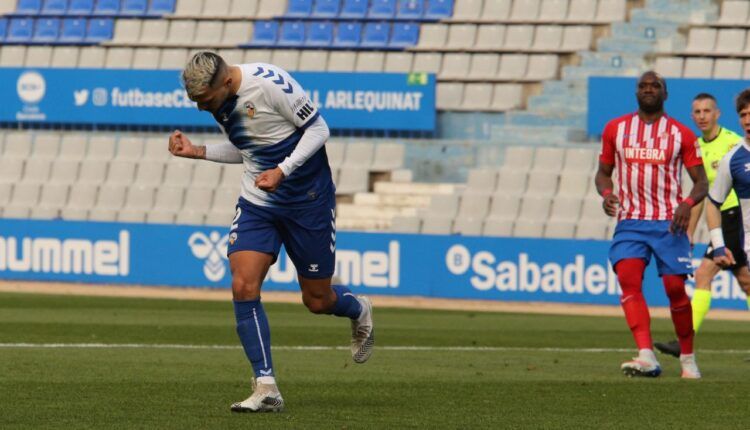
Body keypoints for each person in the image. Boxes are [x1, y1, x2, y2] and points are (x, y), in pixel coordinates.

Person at [169, 51, 375, 412]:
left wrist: (283, 170)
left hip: (307, 202)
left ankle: (358, 308)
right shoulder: (221, 103)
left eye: (205, 100)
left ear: (227, 82)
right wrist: (198, 151)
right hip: (258, 202)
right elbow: (247, 149)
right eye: (195, 102)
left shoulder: (270, 83)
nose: (202, 108)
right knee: (243, 284)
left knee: (317, 301)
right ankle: (266, 387)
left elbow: (319, 129)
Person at [595, 71, 708, 379]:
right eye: (642, 86)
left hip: (669, 223)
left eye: (654, 86)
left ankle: (687, 358)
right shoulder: (615, 129)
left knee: (674, 289)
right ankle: (646, 355)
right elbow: (603, 173)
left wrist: (686, 204)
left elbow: (701, 182)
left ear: (665, 94)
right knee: (629, 279)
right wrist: (607, 193)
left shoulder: (681, 134)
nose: (648, 90)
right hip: (630, 221)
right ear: (636, 93)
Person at [655, 93, 750, 358]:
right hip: (723, 219)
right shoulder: (696, 148)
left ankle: (683, 342)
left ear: (717, 114)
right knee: (745, 281)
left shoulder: (734, 143)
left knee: (703, 274)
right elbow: (701, 195)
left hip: (735, 217)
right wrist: (688, 232)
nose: (702, 116)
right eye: (697, 112)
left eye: (707, 111)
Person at [702, 89, 750, 318]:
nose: (747, 120)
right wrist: (718, 244)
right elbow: (712, 203)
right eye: (743, 115)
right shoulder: (732, 159)